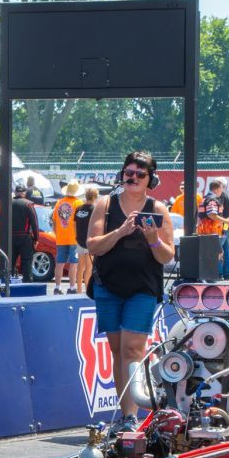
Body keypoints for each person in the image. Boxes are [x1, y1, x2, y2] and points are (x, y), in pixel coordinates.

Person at [86, 151, 175, 434]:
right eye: (129, 173)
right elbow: (93, 245)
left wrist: (153, 240)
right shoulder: (106, 204)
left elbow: (166, 256)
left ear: (151, 179)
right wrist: (120, 232)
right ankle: (126, 413)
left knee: (133, 350)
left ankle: (131, 416)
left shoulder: (158, 209)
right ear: (121, 174)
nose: (133, 178)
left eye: (140, 174)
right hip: (108, 286)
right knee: (117, 351)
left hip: (142, 288)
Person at [51, 181, 84, 294]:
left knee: (59, 263)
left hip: (61, 238)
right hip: (74, 238)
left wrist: (57, 233)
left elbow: (54, 221)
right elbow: (80, 221)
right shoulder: (78, 203)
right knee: (74, 263)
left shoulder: (59, 202)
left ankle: (57, 287)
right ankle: (72, 287)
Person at [10, 182, 40, 282]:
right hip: (25, 237)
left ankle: (7, 282)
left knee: (9, 262)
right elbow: (34, 223)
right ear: (25, 193)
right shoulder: (28, 204)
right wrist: (36, 239)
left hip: (11, 237)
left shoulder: (9, 203)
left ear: (15, 192)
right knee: (27, 262)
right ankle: (27, 283)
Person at [73, 186, 98, 294]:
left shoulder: (79, 208)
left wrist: (77, 237)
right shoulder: (94, 209)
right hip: (89, 241)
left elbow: (74, 225)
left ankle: (79, 289)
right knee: (88, 268)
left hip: (79, 240)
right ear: (95, 197)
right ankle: (87, 290)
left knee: (80, 266)